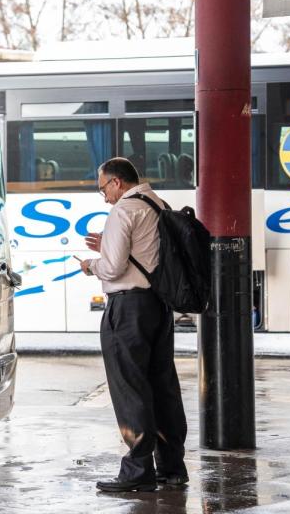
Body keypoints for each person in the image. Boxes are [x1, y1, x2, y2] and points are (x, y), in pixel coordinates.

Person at [78, 157, 188, 493]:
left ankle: (138, 470)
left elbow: (112, 269)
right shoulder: (158, 203)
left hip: (128, 310)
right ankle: (171, 467)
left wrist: (90, 265)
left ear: (115, 182)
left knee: (130, 388)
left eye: (103, 190)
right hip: (158, 307)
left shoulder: (124, 211)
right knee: (162, 385)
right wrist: (108, 248)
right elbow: (146, 253)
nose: (105, 197)